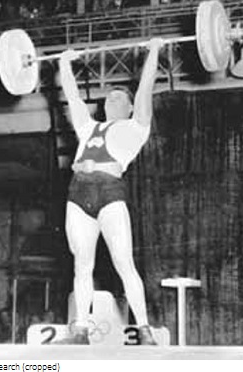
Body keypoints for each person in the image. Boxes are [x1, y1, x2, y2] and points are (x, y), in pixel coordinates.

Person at [57, 39, 163, 345]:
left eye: (119, 97)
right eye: (110, 96)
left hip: (109, 193)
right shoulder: (88, 128)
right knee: (82, 264)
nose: (112, 98)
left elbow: (144, 89)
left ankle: (144, 330)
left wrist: (154, 51)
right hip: (78, 195)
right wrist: (64, 62)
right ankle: (80, 330)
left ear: (130, 108)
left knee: (123, 263)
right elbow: (72, 95)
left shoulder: (136, 128)